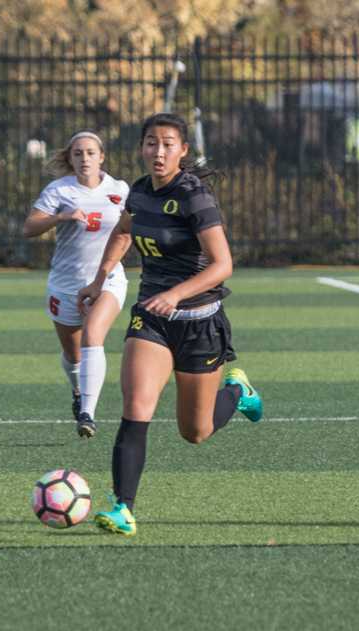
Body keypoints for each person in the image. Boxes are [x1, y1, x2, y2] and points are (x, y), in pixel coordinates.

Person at [77, 112, 263, 537]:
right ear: (141, 147)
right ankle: (123, 507)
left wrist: (177, 294)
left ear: (182, 151)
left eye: (166, 144)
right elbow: (124, 231)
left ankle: (238, 391)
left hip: (200, 322)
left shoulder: (195, 197)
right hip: (152, 320)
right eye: (150, 143)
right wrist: (98, 279)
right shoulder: (139, 192)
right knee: (135, 407)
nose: (157, 152)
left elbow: (223, 265)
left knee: (194, 432)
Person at [23, 131, 131, 438]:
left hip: (108, 279)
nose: (85, 159)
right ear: (70, 159)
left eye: (90, 153)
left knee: (93, 336)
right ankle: (77, 392)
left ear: (102, 157)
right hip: (65, 283)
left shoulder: (120, 189)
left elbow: (129, 231)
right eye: (78, 154)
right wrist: (61, 217)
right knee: (74, 356)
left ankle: (88, 413)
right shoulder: (59, 190)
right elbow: (29, 227)